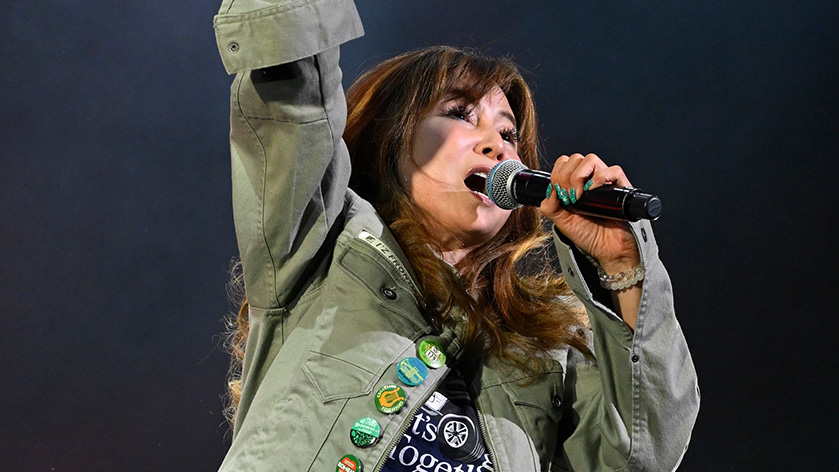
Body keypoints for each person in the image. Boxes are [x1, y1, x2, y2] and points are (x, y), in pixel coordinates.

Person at [213, 1, 699, 471]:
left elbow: (643, 454)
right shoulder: (322, 243)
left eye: (509, 135)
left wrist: (623, 265)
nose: (496, 145)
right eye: (459, 113)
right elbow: (292, 96)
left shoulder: (545, 350)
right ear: (390, 140)